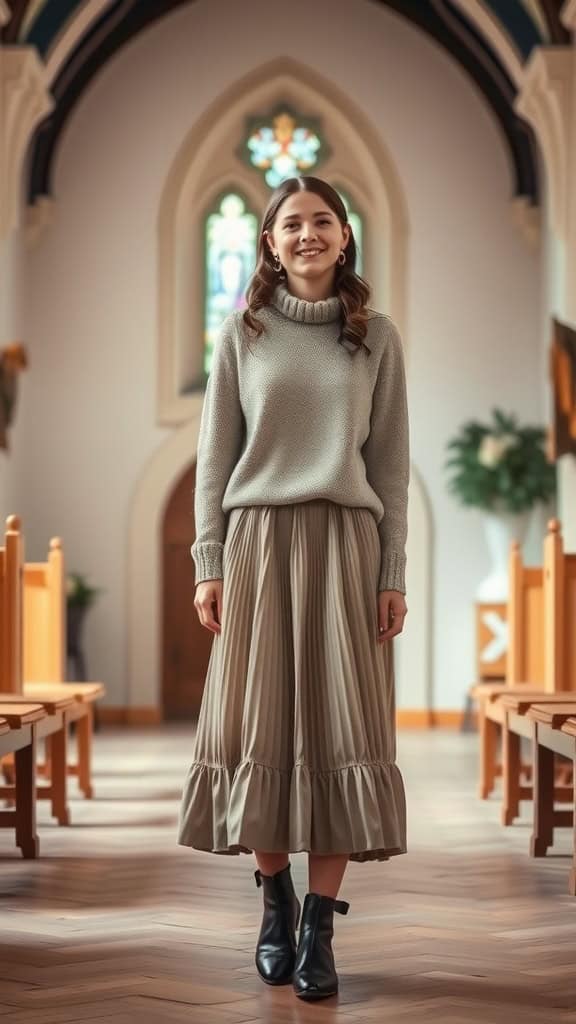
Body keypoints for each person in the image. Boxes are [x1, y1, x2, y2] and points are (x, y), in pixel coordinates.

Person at [178, 175, 410, 1002]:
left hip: (346, 544)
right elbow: (214, 458)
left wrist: (392, 572)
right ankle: (273, 901)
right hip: (260, 544)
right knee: (262, 725)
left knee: (344, 726)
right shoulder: (242, 334)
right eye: (291, 224)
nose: (307, 234)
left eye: (322, 222)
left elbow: (389, 464)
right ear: (269, 243)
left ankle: (320, 923)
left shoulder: (374, 336)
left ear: (344, 238)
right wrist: (210, 560)